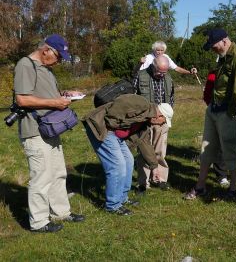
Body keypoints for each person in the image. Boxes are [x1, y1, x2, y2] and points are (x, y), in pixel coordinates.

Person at [13, 34, 85, 233]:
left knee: (58, 172)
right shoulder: (25, 65)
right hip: (35, 131)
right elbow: (22, 100)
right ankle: (38, 222)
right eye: (58, 56)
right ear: (45, 51)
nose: (59, 61)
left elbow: (45, 95)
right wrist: (55, 103)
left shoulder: (46, 69)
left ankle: (61, 212)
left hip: (51, 128)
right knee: (42, 176)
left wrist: (65, 95)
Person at [184, 28, 236, 200]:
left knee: (229, 150)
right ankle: (200, 187)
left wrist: (231, 111)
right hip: (213, 110)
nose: (213, 49)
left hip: (226, 112)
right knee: (206, 148)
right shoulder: (223, 56)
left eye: (214, 46)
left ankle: (233, 188)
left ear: (224, 41)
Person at [83, 94, 169, 215]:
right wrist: (113, 123)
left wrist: (154, 167)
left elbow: (145, 145)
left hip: (114, 135)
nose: (160, 125)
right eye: (162, 122)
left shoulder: (145, 123)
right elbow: (120, 101)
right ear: (159, 116)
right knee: (117, 165)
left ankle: (122, 199)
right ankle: (113, 205)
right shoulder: (142, 104)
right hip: (102, 128)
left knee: (129, 161)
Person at [133, 56, 174, 192]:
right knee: (144, 152)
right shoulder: (141, 76)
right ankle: (143, 183)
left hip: (161, 121)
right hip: (144, 121)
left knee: (160, 152)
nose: (162, 75)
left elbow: (171, 99)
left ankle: (160, 179)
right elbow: (132, 97)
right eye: (159, 72)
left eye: (165, 72)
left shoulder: (168, 79)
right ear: (153, 66)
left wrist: (164, 116)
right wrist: (144, 116)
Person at [132, 41, 197, 76]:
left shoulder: (166, 57)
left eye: (161, 50)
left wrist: (189, 72)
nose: (160, 52)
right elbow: (137, 73)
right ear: (154, 50)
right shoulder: (148, 58)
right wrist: (140, 63)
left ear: (164, 50)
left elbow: (176, 68)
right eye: (158, 50)